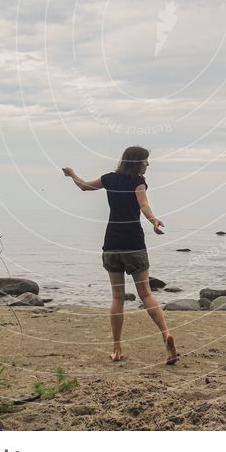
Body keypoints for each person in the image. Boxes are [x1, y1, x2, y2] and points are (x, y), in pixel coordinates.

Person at [62, 146, 178, 365]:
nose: (148, 164)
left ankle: (116, 349)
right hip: (134, 243)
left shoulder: (109, 179)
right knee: (146, 294)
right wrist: (153, 220)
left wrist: (72, 174)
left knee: (117, 298)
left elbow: (84, 186)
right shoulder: (138, 182)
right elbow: (143, 205)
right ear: (137, 162)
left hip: (112, 244)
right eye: (146, 161)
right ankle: (165, 335)